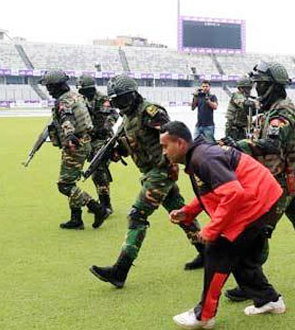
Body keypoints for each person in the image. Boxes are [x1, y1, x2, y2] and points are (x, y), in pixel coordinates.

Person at [221, 60, 295, 298]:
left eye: (260, 85)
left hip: (283, 181)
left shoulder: (282, 111)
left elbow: (273, 144)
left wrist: (239, 146)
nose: (256, 89)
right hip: (287, 177)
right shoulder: (274, 108)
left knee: (260, 229)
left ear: (272, 86)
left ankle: (251, 283)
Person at [157, 121, 285, 330]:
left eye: (165, 146)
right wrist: (188, 212)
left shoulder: (202, 158)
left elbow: (233, 193)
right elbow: (214, 190)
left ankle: (204, 315)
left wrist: (211, 230)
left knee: (217, 250)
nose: (164, 152)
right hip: (262, 199)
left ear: (180, 143)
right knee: (240, 257)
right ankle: (268, 300)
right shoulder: (198, 156)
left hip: (255, 201)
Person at [89, 75, 207, 289]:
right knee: (182, 214)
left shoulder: (149, 112)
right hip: (151, 171)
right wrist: (118, 151)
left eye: (122, 100)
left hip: (161, 170)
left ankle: (120, 270)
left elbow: (171, 135)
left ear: (133, 95)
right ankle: (207, 252)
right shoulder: (127, 118)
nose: (120, 105)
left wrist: (175, 162)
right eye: (116, 102)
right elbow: (135, 144)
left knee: (137, 215)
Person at [39, 69, 109, 230]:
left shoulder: (64, 101)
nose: (48, 91)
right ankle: (76, 218)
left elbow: (67, 117)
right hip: (85, 142)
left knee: (65, 185)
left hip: (74, 145)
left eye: (50, 87)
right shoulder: (77, 97)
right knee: (71, 182)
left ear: (57, 86)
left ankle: (97, 208)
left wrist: (70, 135)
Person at [77, 74, 119, 213]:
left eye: (86, 90)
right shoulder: (82, 100)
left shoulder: (103, 99)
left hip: (104, 140)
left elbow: (114, 114)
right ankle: (103, 202)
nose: (83, 93)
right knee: (96, 171)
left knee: (98, 170)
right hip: (90, 140)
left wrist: (105, 128)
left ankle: (106, 204)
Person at [224, 76, 256, 141]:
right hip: (234, 128)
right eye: (248, 88)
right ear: (241, 88)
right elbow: (245, 104)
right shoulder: (236, 95)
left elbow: (251, 112)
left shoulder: (246, 97)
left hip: (242, 128)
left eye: (250, 88)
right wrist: (255, 103)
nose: (249, 91)